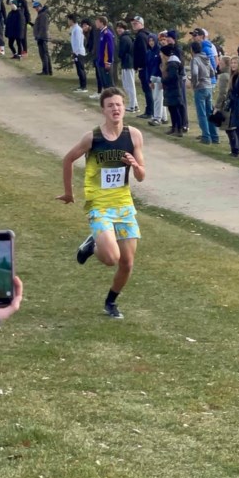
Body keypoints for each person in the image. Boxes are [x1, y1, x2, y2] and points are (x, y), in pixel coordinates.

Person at [58, 87, 147, 319]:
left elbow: (141, 175)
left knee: (127, 263)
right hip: (99, 205)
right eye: (110, 106)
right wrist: (69, 193)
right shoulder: (93, 138)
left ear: (124, 107)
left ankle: (111, 302)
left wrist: (135, 166)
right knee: (111, 258)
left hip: (124, 205)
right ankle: (93, 245)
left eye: (118, 104)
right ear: (103, 110)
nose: (115, 109)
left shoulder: (134, 136)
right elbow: (68, 159)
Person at [131, 16, 154, 119]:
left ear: (141, 24)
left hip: (144, 67)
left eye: (136, 23)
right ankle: (150, 110)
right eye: (133, 23)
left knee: (147, 89)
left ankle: (150, 111)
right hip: (146, 66)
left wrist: (138, 66)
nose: (134, 25)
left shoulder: (141, 36)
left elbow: (142, 53)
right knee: (148, 89)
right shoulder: (145, 35)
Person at [115, 22, 138, 112]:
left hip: (128, 64)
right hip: (128, 63)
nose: (118, 30)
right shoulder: (127, 37)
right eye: (117, 28)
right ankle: (134, 104)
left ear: (124, 28)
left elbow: (121, 52)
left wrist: (119, 55)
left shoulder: (124, 38)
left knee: (129, 85)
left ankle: (133, 106)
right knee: (127, 85)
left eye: (120, 28)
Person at [67, 13, 88, 92]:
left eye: (68, 20)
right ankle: (81, 86)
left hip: (79, 53)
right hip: (76, 52)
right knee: (79, 70)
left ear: (72, 20)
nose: (68, 22)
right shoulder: (74, 29)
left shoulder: (77, 29)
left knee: (81, 69)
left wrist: (76, 52)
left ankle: (84, 87)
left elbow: (79, 42)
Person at [33, 1, 52, 76]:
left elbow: (43, 27)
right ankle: (47, 70)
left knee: (44, 54)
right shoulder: (41, 14)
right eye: (35, 8)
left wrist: (39, 36)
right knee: (44, 54)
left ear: (40, 6)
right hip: (41, 37)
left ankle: (46, 71)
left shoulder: (43, 15)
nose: (36, 9)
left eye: (37, 7)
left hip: (42, 37)